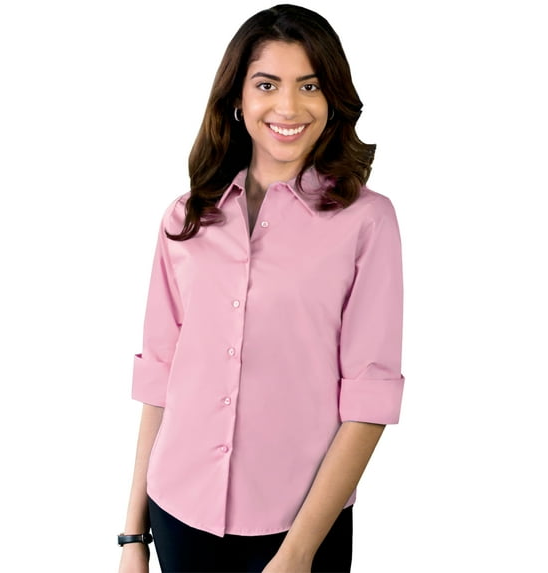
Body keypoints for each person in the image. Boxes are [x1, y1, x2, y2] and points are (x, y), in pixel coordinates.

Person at [118, 4, 405, 573]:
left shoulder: (367, 221)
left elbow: (369, 397)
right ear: (237, 99)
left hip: (298, 528)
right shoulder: (185, 218)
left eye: (310, 85)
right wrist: (133, 537)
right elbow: (161, 378)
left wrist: (298, 552)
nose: (289, 107)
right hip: (177, 511)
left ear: (333, 99)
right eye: (267, 85)